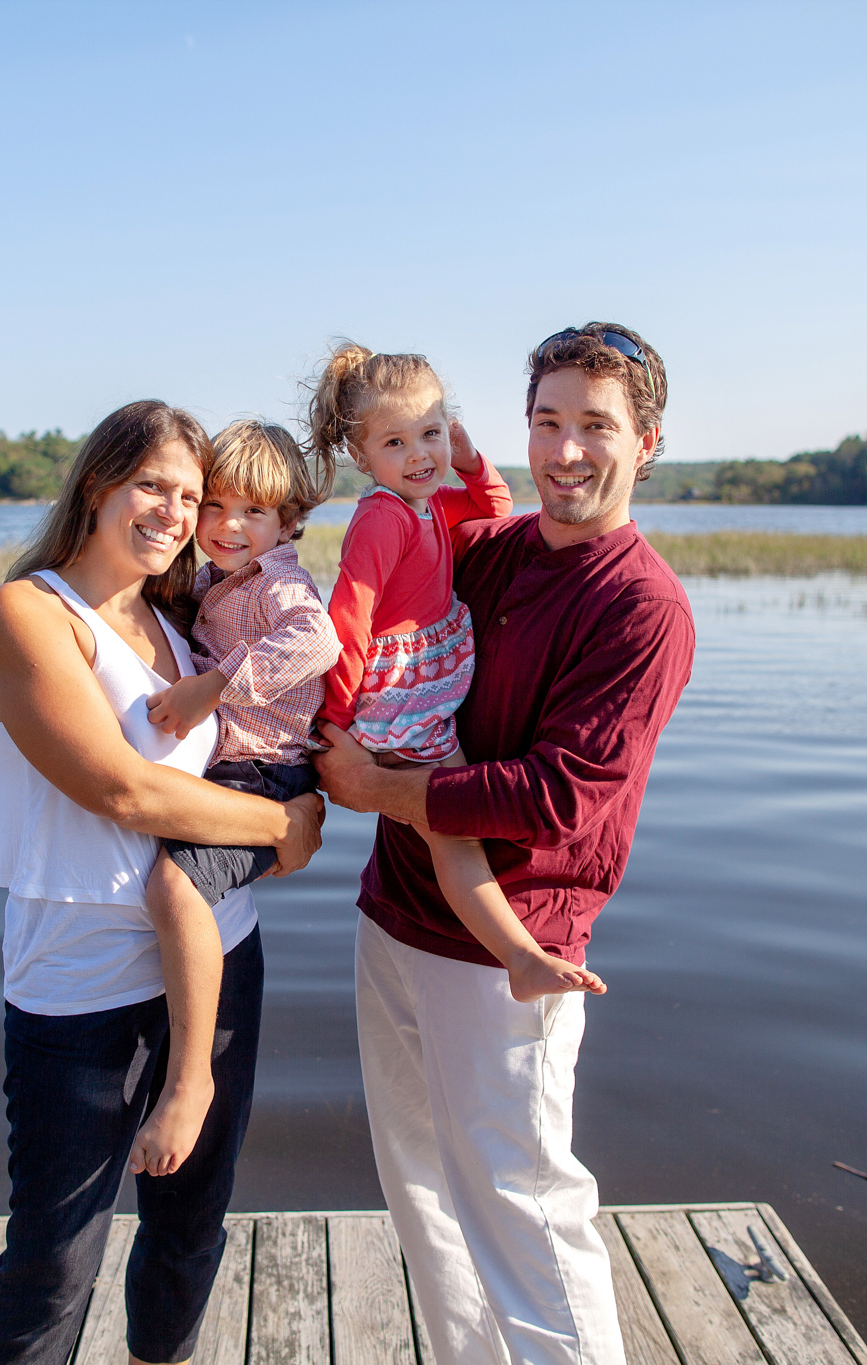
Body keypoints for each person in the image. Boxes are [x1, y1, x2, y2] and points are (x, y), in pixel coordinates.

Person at [316, 324, 696, 1365]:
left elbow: (559, 793)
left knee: (524, 1213)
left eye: (595, 427)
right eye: (547, 422)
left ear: (645, 442)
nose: (565, 452)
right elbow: (394, 592)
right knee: (423, 1202)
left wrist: (379, 786)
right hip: (394, 916)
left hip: (507, 952)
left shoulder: (642, 608)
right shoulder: (487, 549)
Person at [0, 400, 325, 1365]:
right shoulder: (28, 614)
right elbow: (122, 790)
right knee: (52, 1261)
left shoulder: (181, 618)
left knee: (189, 1229)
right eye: (153, 487)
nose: (175, 512)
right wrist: (283, 828)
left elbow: (263, 731)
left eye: (191, 495)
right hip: (79, 982)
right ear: (98, 485)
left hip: (218, 959)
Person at [308, 342, 602, 1004]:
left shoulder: (428, 504)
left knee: (449, 822)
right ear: (361, 457)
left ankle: (516, 953)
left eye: (431, 433)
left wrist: (465, 459)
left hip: (423, 691)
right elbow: (348, 616)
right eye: (395, 442)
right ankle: (519, 955)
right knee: (454, 826)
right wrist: (336, 718)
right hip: (398, 699)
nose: (419, 455)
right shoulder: (384, 517)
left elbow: (495, 507)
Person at [131, 418, 339, 1178]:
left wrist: (213, 685)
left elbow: (317, 642)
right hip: (237, 769)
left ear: (288, 522)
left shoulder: (280, 579)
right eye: (214, 506)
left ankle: (192, 1078)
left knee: (176, 883)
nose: (226, 525)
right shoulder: (216, 580)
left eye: (251, 511)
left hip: (265, 772)